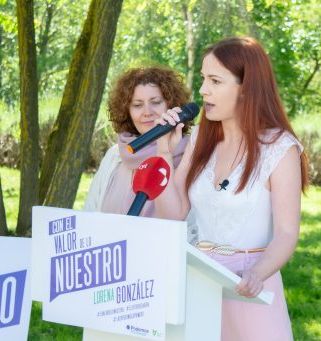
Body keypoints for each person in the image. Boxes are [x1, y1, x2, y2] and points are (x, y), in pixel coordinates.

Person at [153, 37, 308, 341]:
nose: (202, 90)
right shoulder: (200, 138)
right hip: (199, 283)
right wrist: (163, 153)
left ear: (247, 87)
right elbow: (172, 214)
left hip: (248, 286)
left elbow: (287, 233)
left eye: (215, 81)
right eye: (203, 79)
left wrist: (257, 274)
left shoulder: (281, 149)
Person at [84, 66, 191, 219]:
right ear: (127, 111)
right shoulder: (114, 156)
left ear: (172, 106)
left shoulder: (190, 155)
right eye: (137, 105)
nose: (147, 112)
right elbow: (89, 214)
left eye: (156, 102)